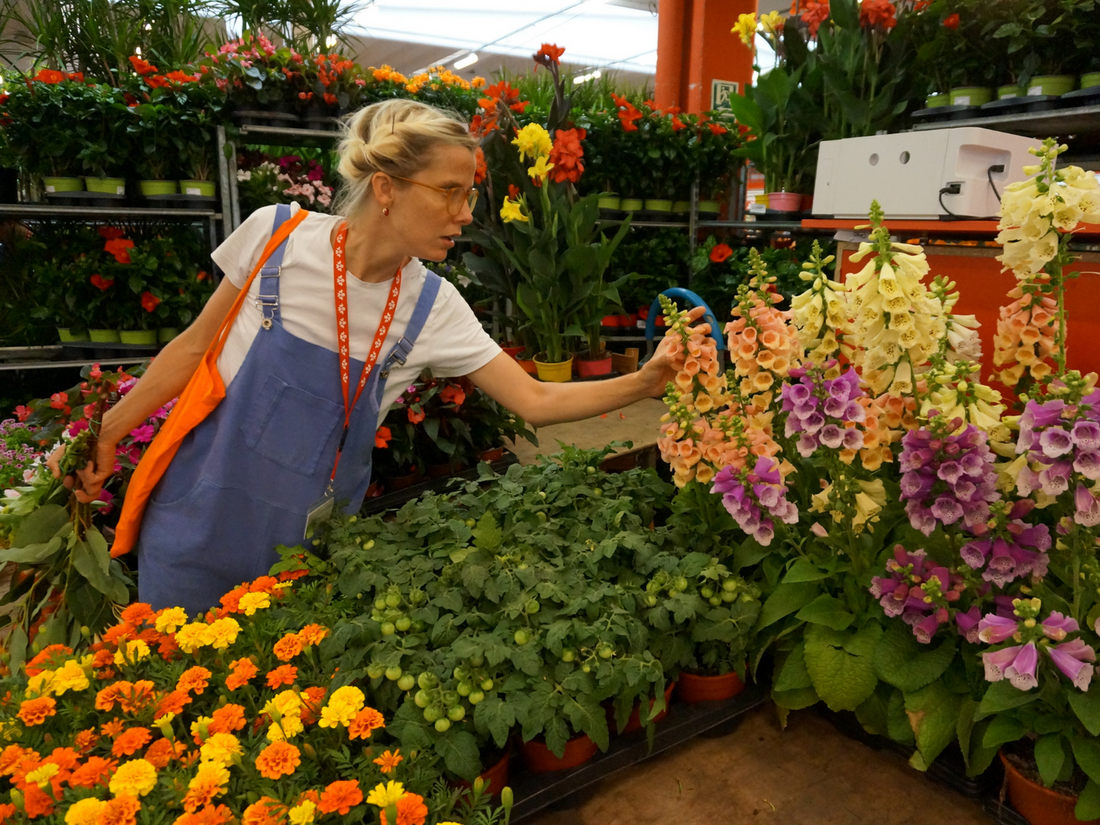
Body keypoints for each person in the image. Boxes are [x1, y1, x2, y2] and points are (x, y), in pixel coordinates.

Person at [51, 98, 707, 616]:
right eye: (450, 190)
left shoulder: (432, 307)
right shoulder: (276, 237)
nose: (465, 213)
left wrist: (647, 379)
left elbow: (536, 399)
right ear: (387, 188)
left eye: (470, 193)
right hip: (190, 532)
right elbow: (192, 348)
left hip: (298, 557)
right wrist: (103, 433)